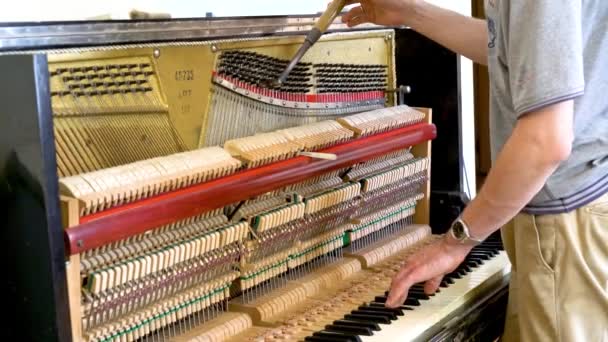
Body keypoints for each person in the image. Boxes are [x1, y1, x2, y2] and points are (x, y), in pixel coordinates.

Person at [343, 1, 608, 341]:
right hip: (571, 211)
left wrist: (454, 243)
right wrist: (411, 13)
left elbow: (545, 142)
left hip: (565, 223)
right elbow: (515, 50)